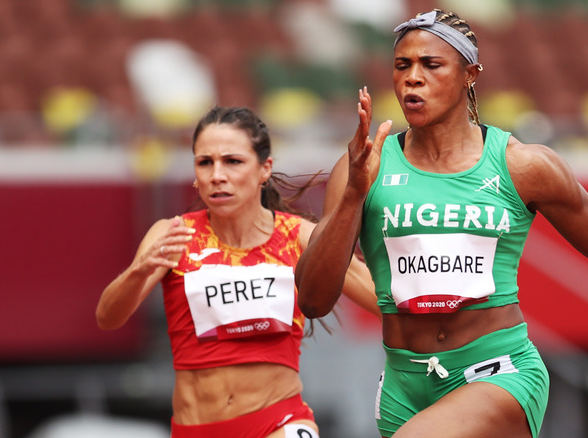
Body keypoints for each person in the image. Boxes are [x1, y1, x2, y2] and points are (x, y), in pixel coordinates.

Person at [295, 8, 588, 438]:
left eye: (431, 64)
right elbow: (314, 301)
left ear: (470, 74)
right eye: (402, 65)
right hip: (404, 387)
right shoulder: (361, 169)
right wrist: (353, 194)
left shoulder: (522, 165)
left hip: (498, 374)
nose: (412, 77)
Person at [96, 106, 379, 438]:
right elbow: (107, 319)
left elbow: (385, 302)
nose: (217, 175)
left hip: (280, 421)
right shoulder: (173, 235)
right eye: (205, 162)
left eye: (232, 161)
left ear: (264, 169)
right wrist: (138, 272)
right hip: (196, 429)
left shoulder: (298, 237)